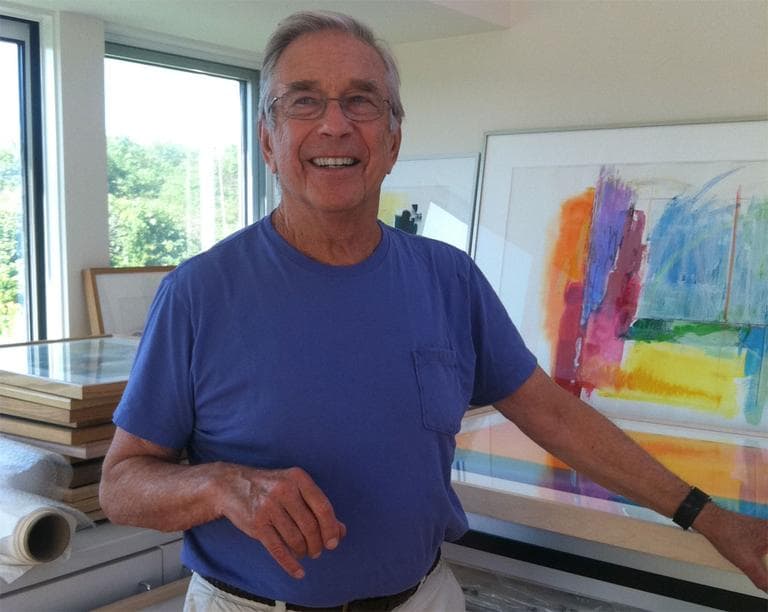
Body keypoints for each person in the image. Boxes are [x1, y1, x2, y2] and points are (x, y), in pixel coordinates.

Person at [99, 10, 768, 612]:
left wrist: (711, 518)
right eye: (304, 102)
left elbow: (557, 416)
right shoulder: (199, 292)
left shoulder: (447, 279)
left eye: (362, 102)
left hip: (425, 598)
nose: (335, 123)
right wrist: (221, 486)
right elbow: (121, 486)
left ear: (391, 141)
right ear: (270, 140)